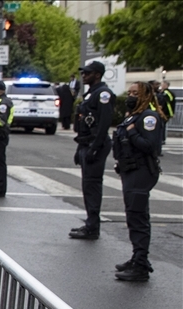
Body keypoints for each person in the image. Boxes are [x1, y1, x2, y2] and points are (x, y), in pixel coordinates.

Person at [111, 81, 165, 283]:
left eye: (136, 93)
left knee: (138, 218)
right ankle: (137, 258)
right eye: (130, 92)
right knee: (133, 216)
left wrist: (132, 131)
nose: (131, 96)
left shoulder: (149, 117)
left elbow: (150, 146)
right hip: (130, 171)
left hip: (142, 171)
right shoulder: (134, 116)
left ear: (146, 96)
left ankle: (141, 265)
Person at [68, 61, 114, 240]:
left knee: (92, 186)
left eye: (88, 73)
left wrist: (94, 149)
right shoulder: (91, 94)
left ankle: (93, 227)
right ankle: (90, 223)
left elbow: (103, 124)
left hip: (96, 145)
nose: (84, 75)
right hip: (86, 144)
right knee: (87, 187)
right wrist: (80, 148)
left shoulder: (103, 94)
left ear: (97, 74)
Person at [156, 80, 174, 145]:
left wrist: (169, 113)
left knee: (162, 126)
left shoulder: (166, 93)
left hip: (165, 112)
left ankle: (162, 139)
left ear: (166, 85)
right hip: (165, 112)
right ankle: (162, 139)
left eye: (162, 84)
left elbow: (168, 103)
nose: (161, 86)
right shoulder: (163, 92)